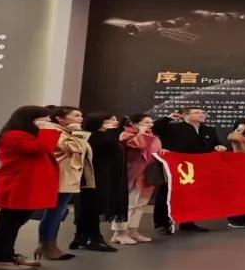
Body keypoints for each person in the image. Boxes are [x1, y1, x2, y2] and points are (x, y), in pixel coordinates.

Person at [0, 106, 61, 270]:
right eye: (44, 118)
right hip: (17, 186)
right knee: (8, 224)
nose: (48, 121)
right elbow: (40, 148)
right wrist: (47, 130)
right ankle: (0, 260)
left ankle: (8, 255)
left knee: (15, 223)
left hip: (24, 186)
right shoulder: (14, 135)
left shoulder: (26, 135)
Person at [152, 107, 227, 234]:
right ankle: (161, 224)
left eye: (203, 113)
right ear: (186, 116)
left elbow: (215, 145)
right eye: (197, 113)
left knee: (191, 195)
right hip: (176, 166)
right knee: (167, 194)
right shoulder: (173, 128)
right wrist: (168, 118)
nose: (202, 115)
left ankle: (188, 222)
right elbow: (154, 128)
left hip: (198, 168)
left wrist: (219, 147)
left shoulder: (209, 130)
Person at [36, 105, 94, 261]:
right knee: (55, 212)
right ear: (60, 118)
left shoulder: (65, 131)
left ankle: (51, 245)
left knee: (58, 212)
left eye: (81, 115)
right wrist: (78, 132)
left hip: (68, 175)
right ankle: (46, 245)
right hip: (60, 175)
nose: (80, 119)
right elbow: (73, 147)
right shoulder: (52, 130)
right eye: (76, 115)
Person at [69, 113, 125, 252]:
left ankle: (83, 237)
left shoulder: (104, 135)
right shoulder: (92, 136)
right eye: (108, 121)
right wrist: (111, 130)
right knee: (90, 207)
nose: (114, 122)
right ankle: (92, 238)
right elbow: (108, 143)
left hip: (103, 176)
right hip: (93, 176)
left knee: (91, 207)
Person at [111, 113, 162, 244]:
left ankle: (133, 230)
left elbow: (156, 151)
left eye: (151, 122)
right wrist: (142, 132)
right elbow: (139, 145)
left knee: (140, 205)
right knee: (128, 204)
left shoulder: (153, 136)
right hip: (131, 175)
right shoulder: (126, 135)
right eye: (146, 122)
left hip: (148, 175)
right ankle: (119, 232)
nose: (150, 125)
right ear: (134, 124)